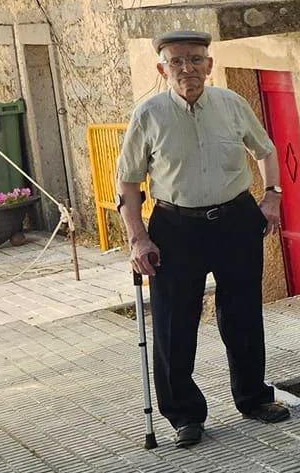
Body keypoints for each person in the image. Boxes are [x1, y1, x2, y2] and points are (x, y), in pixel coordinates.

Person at [116, 30, 289, 448]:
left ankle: (253, 398)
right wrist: (138, 238)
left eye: (195, 59)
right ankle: (184, 415)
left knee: (244, 313)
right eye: (176, 61)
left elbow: (265, 150)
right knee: (175, 324)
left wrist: (272, 198)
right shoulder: (149, 115)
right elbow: (128, 181)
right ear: (163, 69)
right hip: (176, 228)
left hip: (235, 219)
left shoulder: (231, 104)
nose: (186, 69)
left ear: (210, 64)